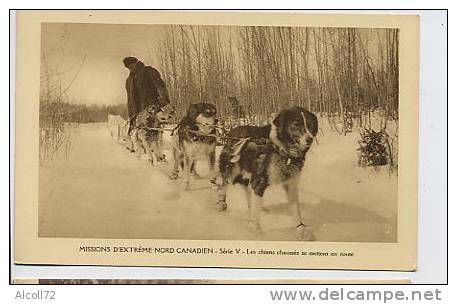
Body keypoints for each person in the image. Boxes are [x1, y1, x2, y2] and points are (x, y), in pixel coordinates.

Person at [123, 57, 170, 152]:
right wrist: (131, 113)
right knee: (138, 131)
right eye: (128, 67)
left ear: (137, 63)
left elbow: (160, 85)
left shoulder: (149, 71)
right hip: (137, 110)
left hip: (151, 106)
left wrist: (163, 100)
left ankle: (159, 152)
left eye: (131, 65)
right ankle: (142, 149)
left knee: (156, 129)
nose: (130, 68)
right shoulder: (129, 80)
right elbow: (130, 99)